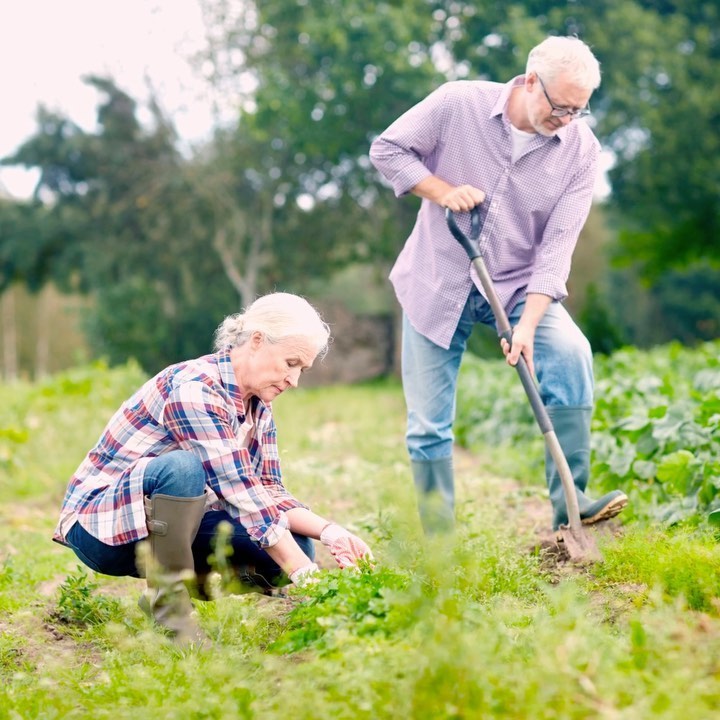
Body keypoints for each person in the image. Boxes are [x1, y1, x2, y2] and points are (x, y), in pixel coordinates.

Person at [369, 36, 628, 534]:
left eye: (580, 110)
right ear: (530, 81)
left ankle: (571, 505)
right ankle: (441, 542)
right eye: (560, 107)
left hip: (514, 285)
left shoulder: (580, 151)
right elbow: (389, 149)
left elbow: (557, 249)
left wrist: (527, 326)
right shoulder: (457, 103)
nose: (567, 120)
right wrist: (443, 191)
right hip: (437, 278)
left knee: (572, 354)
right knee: (428, 423)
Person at [53, 292, 373, 645]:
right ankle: (171, 614)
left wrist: (330, 533)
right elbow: (240, 493)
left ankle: (170, 584)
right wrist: (310, 579)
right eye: (291, 362)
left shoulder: (258, 408)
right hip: (101, 526)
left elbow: (266, 491)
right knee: (182, 469)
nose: (294, 380)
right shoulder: (195, 389)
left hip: (162, 527)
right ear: (256, 341)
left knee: (296, 545)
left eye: (302, 369)